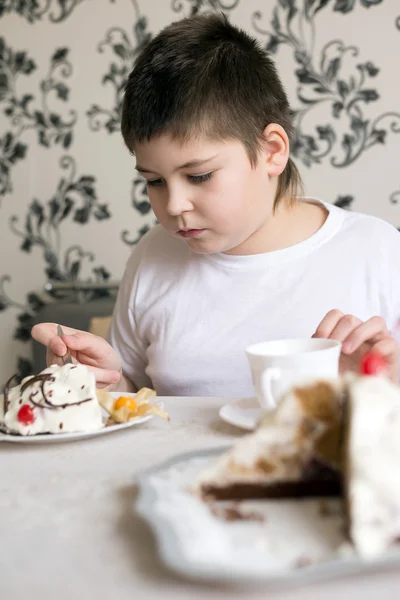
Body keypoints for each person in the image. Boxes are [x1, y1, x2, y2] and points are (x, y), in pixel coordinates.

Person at [32, 13, 399, 395]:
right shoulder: (152, 256)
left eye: (200, 176)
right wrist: (106, 381)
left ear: (272, 151)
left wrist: (386, 386)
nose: (173, 205)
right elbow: (138, 403)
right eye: (154, 181)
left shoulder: (377, 252)